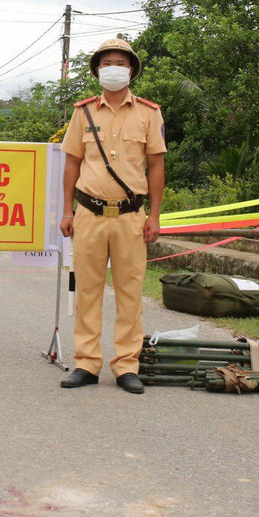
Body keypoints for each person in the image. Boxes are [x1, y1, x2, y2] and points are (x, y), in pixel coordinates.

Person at [58, 38, 166, 394]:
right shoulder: (83, 112)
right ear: (97, 71)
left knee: (129, 293)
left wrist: (155, 216)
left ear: (131, 70)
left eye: (120, 62)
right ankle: (87, 363)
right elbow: (72, 163)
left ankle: (126, 365)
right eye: (106, 64)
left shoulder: (149, 113)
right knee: (87, 291)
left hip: (130, 216)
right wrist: (67, 211)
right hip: (89, 214)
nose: (113, 68)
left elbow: (156, 165)